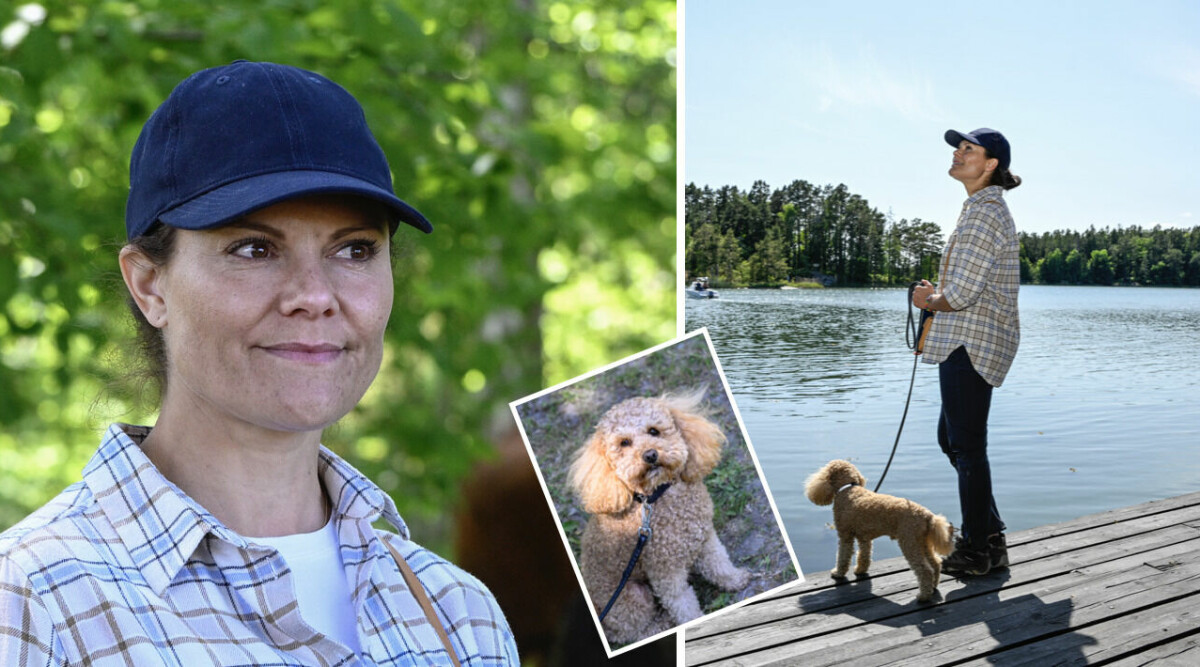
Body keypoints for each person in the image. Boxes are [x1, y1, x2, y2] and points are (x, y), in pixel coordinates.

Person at [0, 61, 519, 665]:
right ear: (150, 286)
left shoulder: (459, 614)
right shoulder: (35, 603)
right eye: (254, 249)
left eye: (354, 250)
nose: (316, 295)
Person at [911, 127, 1021, 577]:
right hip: (971, 340)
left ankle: (979, 549)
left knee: (967, 446)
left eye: (968, 150)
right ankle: (989, 536)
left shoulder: (984, 213)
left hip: (969, 343)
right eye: (958, 149)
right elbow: (966, 287)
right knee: (954, 441)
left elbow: (961, 295)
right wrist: (941, 295)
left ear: (990, 164)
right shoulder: (981, 209)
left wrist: (929, 301)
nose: (958, 154)